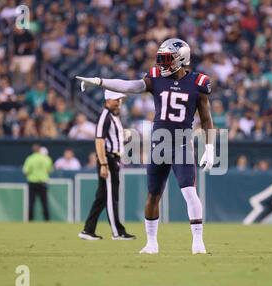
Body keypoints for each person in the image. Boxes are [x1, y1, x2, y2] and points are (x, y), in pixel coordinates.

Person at [76, 38, 214, 254]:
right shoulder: (156, 78)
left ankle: (198, 242)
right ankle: (151, 242)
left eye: (167, 59)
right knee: (153, 194)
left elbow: (206, 119)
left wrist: (210, 147)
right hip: (159, 143)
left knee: (189, 191)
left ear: (182, 59)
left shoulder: (198, 83)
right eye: (161, 59)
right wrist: (100, 81)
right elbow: (130, 86)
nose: (162, 64)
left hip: (181, 143)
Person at [78, 90, 135, 241]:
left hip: (113, 158)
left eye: (120, 100)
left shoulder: (113, 116)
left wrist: (124, 139)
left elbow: (111, 140)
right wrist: (103, 163)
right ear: (108, 100)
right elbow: (99, 141)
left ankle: (88, 230)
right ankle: (118, 232)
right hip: (108, 159)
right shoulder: (105, 116)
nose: (119, 102)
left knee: (102, 197)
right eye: (117, 100)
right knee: (111, 196)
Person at [23, 144, 53, 221]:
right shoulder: (46, 158)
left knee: (31, 203)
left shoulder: (30, 159)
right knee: (44, 203)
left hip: (32, 183)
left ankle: (30, 220)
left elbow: (25, 171)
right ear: (40, 150)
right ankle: (47, 220)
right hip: (43, 183)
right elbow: (50, 170)